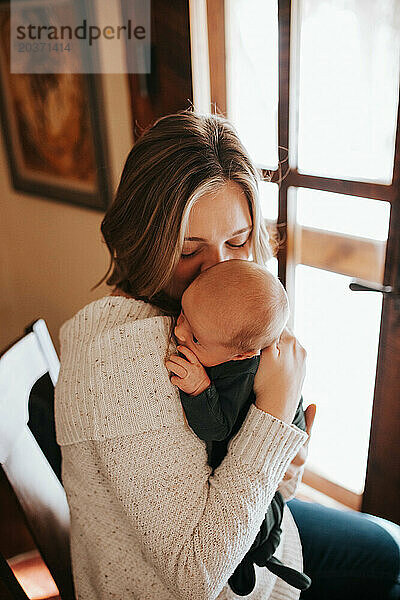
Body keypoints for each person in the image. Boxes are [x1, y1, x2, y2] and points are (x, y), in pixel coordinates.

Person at [54, 110, 400, 600]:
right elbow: (197, 575)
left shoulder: (209, 322)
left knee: (390, 546)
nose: (217, 271)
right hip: (226, 576)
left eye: (237, 242)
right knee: (391, 563)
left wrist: (287, 447)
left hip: (258, 533)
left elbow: (270, 484)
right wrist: (276, 411)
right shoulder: (122, 360)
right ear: (143, 240)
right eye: (188, 249)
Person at [165, 259, 311, 596]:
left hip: (263, 494)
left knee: (260, 529)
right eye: (183, 313)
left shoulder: (240, 376)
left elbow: (216, 428)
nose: (179, 331)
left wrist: (200, 389)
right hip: (272, 479)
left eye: (196, 337)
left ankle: (254, 559)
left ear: (240, 356)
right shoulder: (226, 333)